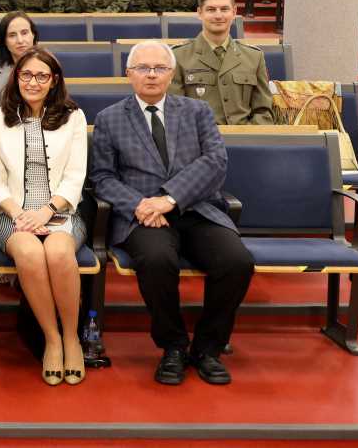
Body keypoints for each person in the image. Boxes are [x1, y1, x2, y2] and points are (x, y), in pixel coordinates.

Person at [89, 39, 254, 386]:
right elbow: (102, 178)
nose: (151, 75)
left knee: (237, 262)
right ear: (128, 73)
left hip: (196, 209)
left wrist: (169, 198)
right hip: (142, 216)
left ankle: (208, 348)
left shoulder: (197, 112)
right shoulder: (109, 119)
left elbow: (215, 162)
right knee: (156, 260)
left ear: (172, 72)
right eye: (143, 68)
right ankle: (174, 346)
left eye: (160, 68)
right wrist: (140, 204)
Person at [0, 47, 88, 386]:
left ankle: (72, 338)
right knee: (29, 251)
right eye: (26, 74)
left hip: (60, 210)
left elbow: (75, 176)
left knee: (58, 252)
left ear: (54, 81)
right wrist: (20, 214)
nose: (33, 81)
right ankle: (51, 340)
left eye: (42, 75)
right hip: (10, 213)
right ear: (16, 78)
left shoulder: (74, 117)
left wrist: (46, 210)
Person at [170, 0, 275, 124]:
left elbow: (263, 112)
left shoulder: (255, 57)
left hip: (245, 141)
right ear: (200, 13)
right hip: (198, 142)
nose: (218, 16)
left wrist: (247, 138)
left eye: (224, 9)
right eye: (211, 9)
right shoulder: (178, 56)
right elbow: (175, 112)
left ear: (234, 12)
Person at [0, 11, 38, 128]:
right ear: (4, 41)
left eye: (24, 33)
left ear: (33, 35)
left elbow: (55, 111)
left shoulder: (48, 68)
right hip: (1, 139)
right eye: (12, 35)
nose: (20, 40)